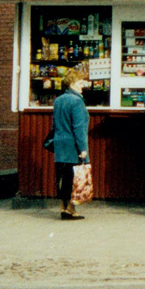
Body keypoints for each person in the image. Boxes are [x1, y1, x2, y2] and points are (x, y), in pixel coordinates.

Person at [46, 68, 90, 220]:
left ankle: (63, 208)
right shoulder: (77, 101)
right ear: (72, 83)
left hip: (60, 144)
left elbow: (54, 125)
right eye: (80, 82)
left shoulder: (58, 100)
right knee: (74, 178)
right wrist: (83, 148)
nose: (82, 85)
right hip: (73, 146)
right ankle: (70, 209)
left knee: (63, 177)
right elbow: (79, 128)